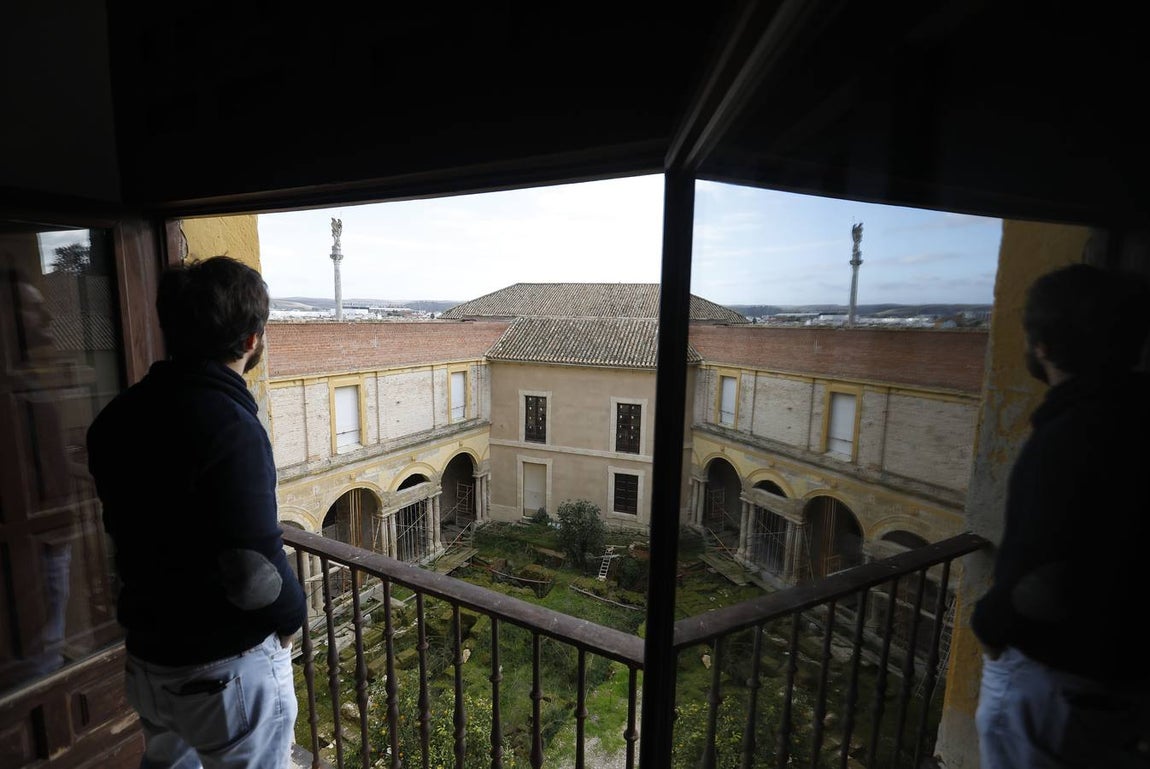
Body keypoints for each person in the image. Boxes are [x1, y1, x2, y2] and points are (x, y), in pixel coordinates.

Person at [87, 255, 306, 769]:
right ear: (252, 340)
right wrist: (294, 616)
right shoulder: (229, 426)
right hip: (222, 672)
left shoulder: (117, 416)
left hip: (151, 659)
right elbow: (253, 567)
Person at [972, 262, 1150, 768]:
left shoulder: (1071, 435)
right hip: (1119, 674)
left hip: (1055, 680)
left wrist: (989, 623)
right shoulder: (1133, 416)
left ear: (1043, 345)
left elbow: (1047, 577)